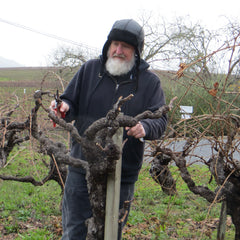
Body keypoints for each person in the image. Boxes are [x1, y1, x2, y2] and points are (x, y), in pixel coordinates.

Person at [50, 19, 167, 240]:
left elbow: (161, 120)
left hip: (121, 174)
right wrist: (63, 106)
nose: (118, 50)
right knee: (74, 232)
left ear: (137, 51)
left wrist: (146, 127)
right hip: (81, 168)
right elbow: (69, 102)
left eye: (126, 46)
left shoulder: (150, 83)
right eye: (115, 44)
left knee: (110, 233)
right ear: (108, 45)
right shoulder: (90, 70)